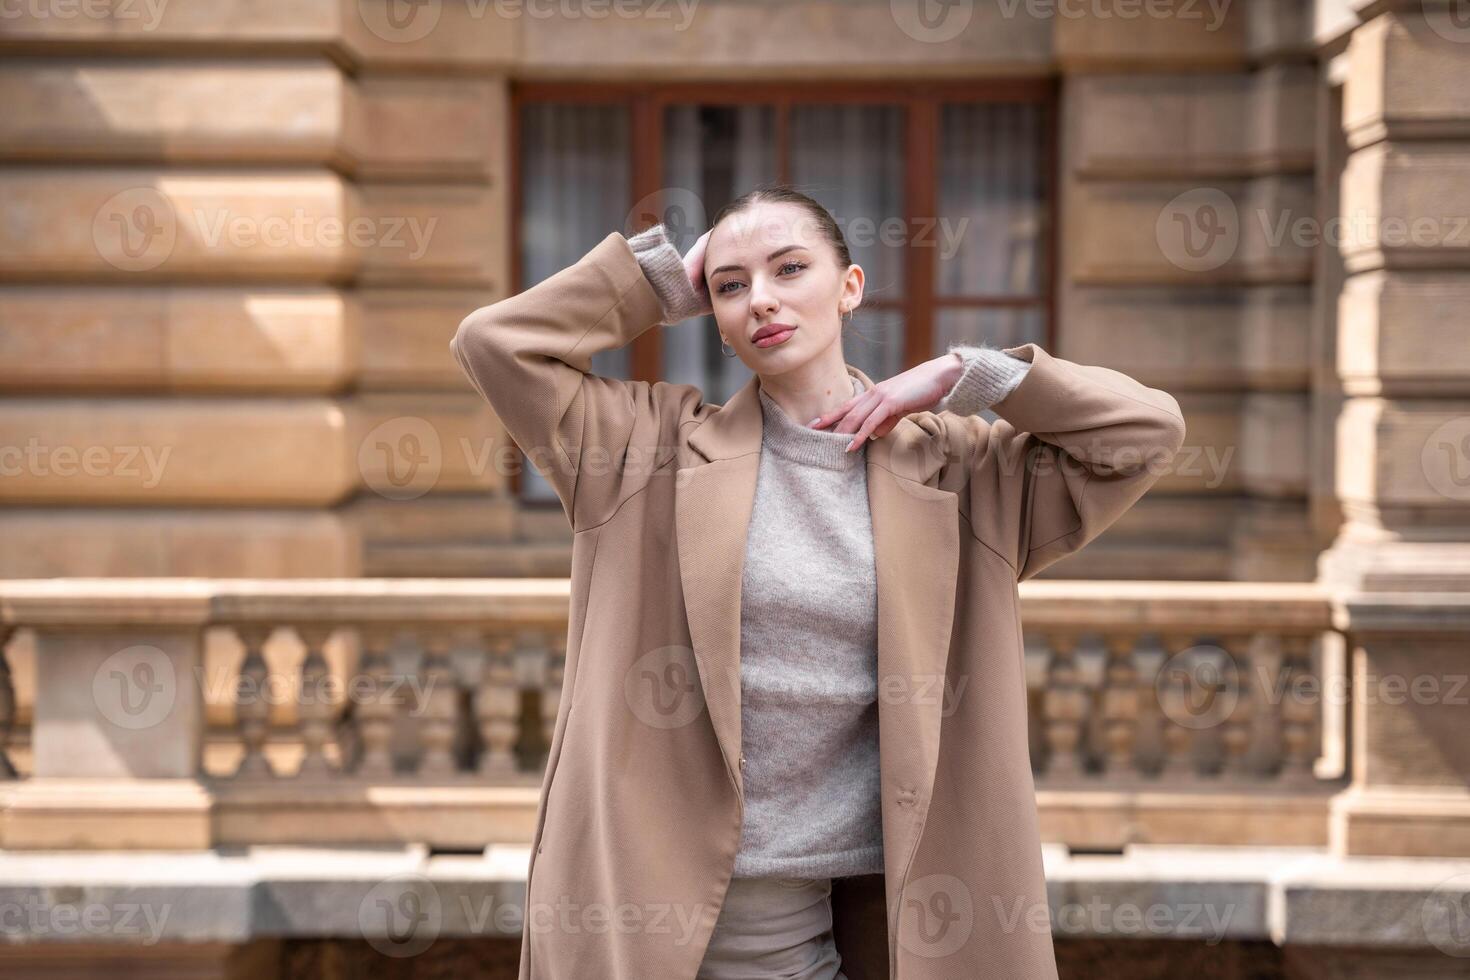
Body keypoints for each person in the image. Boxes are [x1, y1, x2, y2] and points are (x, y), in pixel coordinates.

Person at [450, 183, 1186, 980]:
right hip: (679, 897)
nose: (761, 299)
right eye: (731, 286)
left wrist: (966, 375)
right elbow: (495, 344)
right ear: (716, 318)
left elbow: (1143, 434)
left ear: (851, 287)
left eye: (790, 268)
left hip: (883, 902)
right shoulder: (642, 450)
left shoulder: (961, 470)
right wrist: (655, 282)